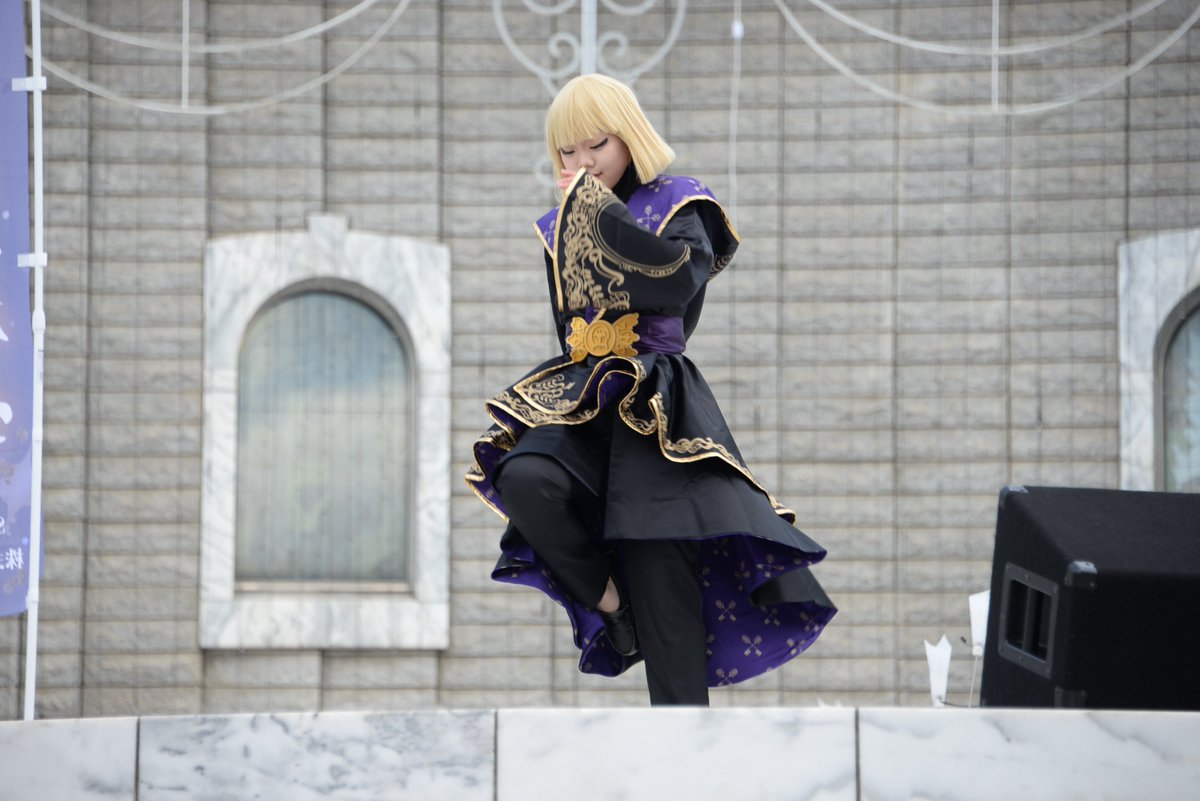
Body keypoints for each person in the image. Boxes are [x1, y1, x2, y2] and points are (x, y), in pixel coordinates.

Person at [466, 73, 835, 706]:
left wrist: (596, 215)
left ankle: (686, 743)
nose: (583, 162)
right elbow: (569, 323)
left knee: (662, 571)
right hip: (587, 396)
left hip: (657, 404)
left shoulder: (680, 204)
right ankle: (614, 606)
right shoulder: (559, 225)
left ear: (629, 138)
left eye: (597, 145)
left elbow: (675, 284)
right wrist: (581, 219)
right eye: (568, 151)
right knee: (524, 477)